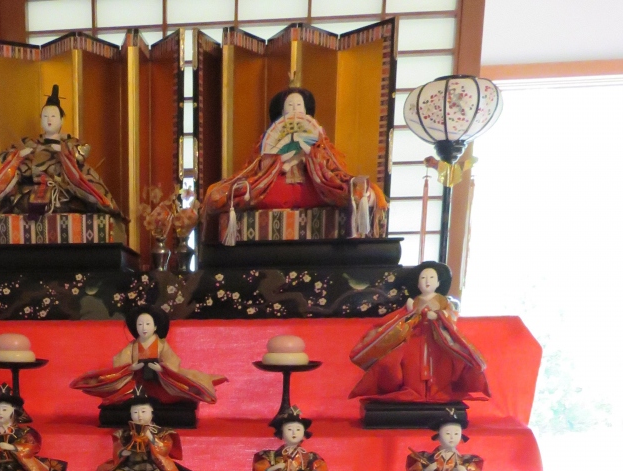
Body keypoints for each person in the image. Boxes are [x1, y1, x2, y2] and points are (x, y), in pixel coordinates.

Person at [202, 86, 387, 241]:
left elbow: (330, 165)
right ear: (281, 113)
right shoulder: (268, 139)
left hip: (313, 185)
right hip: (275, 184)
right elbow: (257, 168)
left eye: (299, 105)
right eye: (289, 106)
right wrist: (280, 159)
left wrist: (309, 153)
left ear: (306, 111)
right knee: (228, 194)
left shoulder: (317, 135)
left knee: (357, 190)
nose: (294, 109)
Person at [0, 84, 124, 220]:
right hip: (32, 188)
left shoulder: (69, 143)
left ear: (62, 120)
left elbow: (80, 155)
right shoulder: (30, 144)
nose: (49, 120)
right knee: (15, 202)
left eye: (53, 116)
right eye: (45, 116)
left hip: (62, 188)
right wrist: (20, 156)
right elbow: (5, 157)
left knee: (79, 199)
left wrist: (63, 152)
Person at [350, 262, 490, 403]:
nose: (427, 281)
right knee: (409, 365)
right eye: (423, 278)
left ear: (438, 283)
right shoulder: (414, 301)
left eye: (431, 278)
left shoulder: (444, 301)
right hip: (415, 337)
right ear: (418, 284)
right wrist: (410, 313)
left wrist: (439, 315)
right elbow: (402, 318)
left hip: (439, 341)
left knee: (443, 367)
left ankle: (438, 390)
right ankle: (413, 389)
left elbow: (451, 315)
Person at [87, 389, 204, 471]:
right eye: (135, 412)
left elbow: (165, 450)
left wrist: (151, 438)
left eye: (143, 411)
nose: (139, 416)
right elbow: (118, 453)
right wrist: (127, 449)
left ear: (151, 413)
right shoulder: (124, 433)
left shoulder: (162, 432)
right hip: (128, 470)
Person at [71, 306, 226, 408]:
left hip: (160, 382)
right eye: (140, 324)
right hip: (137, 380)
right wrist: (132, 367)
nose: (143, 328)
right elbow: (121, 362)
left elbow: (172, 362)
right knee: (121, 397)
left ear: (155, 326)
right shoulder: (132, 346)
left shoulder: (162, 345)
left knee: (177, 391)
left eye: (147, 324)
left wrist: (161, 368)